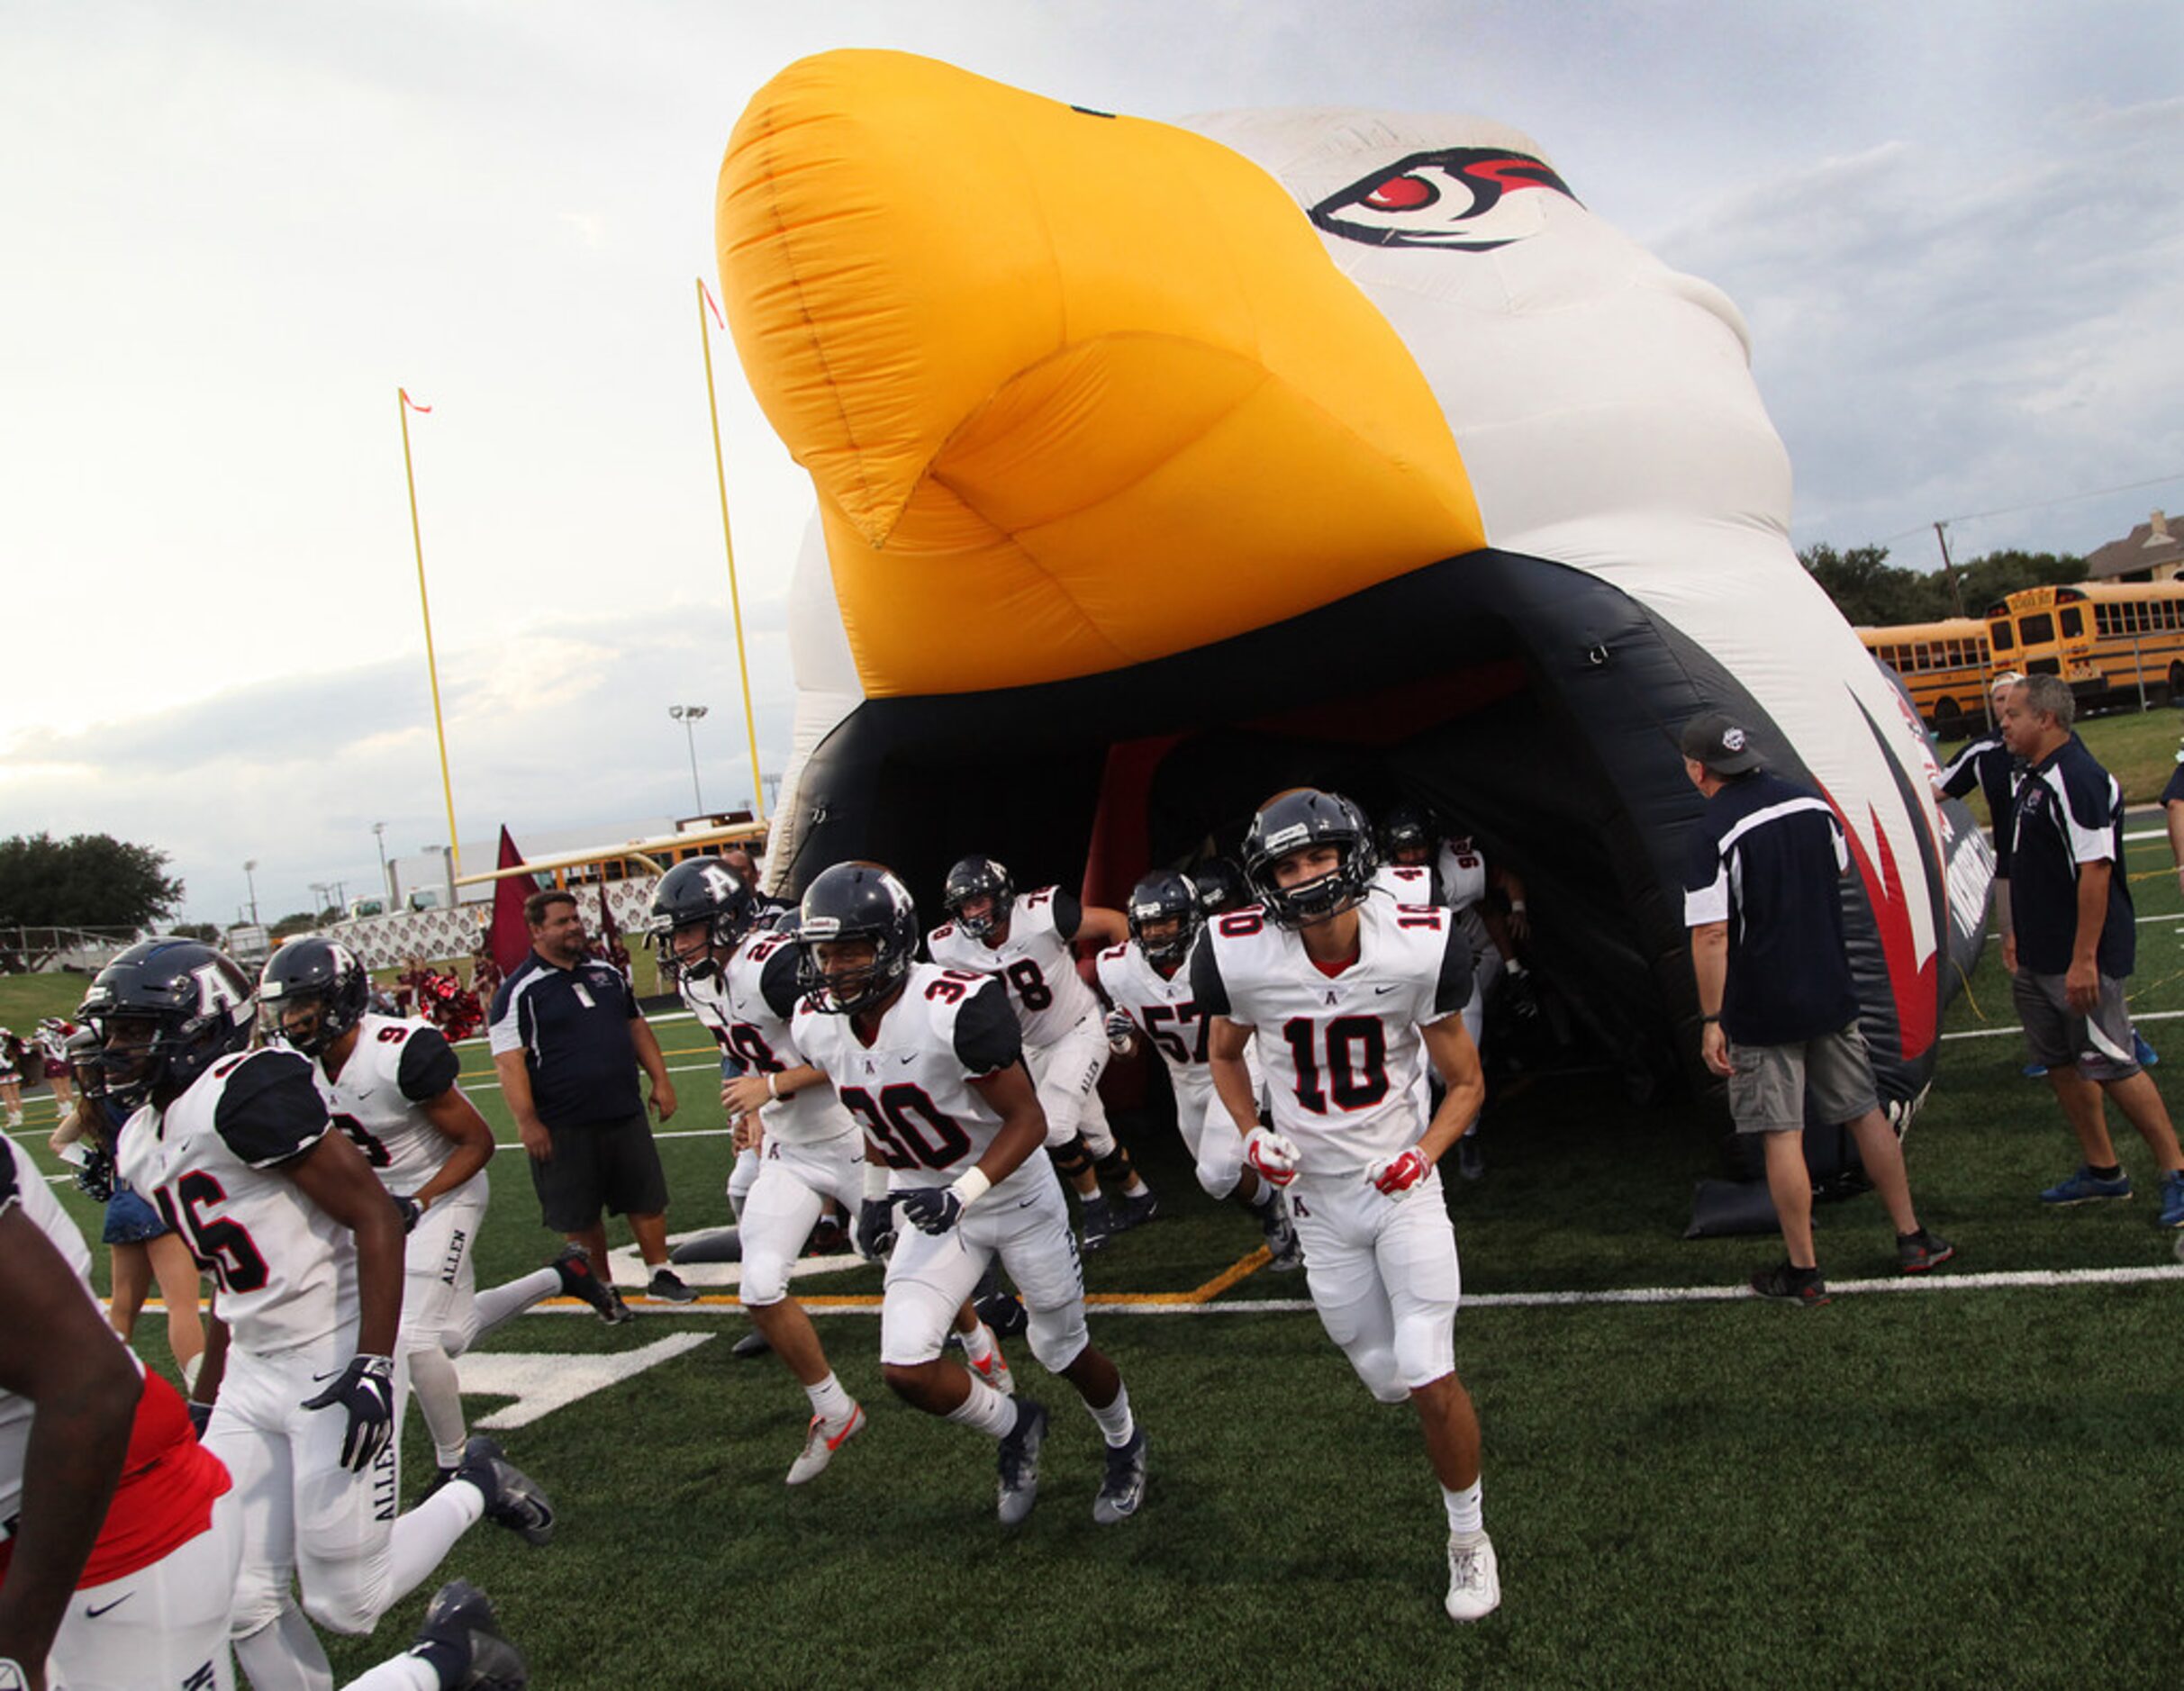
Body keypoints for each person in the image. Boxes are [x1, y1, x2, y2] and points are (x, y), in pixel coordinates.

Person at [86, 937, 554, 1689]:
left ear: (203, 1023)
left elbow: (373, 1214)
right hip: (253, 1367)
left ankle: (476, 1482)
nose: (116, 1049)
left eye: (136, 1030)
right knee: (242, 1601)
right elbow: (229, 1279)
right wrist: (206, 1397)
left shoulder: (243, 1089)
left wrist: (372, 1360)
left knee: (349, 1604)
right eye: (114, 1031)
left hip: (331, 1353)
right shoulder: (144, 1135)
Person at [1193, 789, 1496, 1621]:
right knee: (1384, 1375)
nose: (1305, 876)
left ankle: (1467, 1539)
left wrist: (1421, 1153)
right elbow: (1223, 1054)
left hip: (1398, 1192)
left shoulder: (1416, 944)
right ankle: (1426, 1428)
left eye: (1318, 856)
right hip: (1317, 1208)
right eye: (1286, 865)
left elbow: (1465, 1083)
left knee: (1430, 1369)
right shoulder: (1236, 953)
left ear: (1351, 855)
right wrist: (1252, 1132)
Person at [793, 862, 1148, 1526]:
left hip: (1011, 1196)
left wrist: (962, 1192)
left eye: (851, 950)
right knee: (905, 1366)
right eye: (823, 952)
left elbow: (1030, 1121)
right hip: (933, 1200)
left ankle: (1125, 1440)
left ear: (892, 946)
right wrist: (874, 1195)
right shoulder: (818, 1023)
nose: (834, 968)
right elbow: (875, 1114)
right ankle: (1016, 1425)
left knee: (1061, 1349)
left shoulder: (951, 1006)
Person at [648, 858, 1013, 1482]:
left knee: (896, 1257)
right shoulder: (697, 983)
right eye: (674, 935)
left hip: (854, 1133)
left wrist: (773, 1084)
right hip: (789, 1149)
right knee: (759, 1286)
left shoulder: (775, 966)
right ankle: (833, 1410)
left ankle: (980, 1345)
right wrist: (756, 1103)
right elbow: (742, 1050)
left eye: (689, 931)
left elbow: (846, 1046)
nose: (679, 947)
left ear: (728, 921)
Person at [262, 937, 620, 1486]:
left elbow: (476, 1144)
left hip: (446, 1190)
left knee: (413, 1338)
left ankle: (458, 1465)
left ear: (337, 1001)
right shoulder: (295, 1067)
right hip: (385, 1206)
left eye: (301, 1007)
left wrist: (420, 1199)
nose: (290, 1022)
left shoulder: (396, 1053)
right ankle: (564, 1274)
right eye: (282, 1010)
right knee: (452, 1335)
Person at [1680, 711, 1957, 1303]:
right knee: (1864, 1112)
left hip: (1762, 1006)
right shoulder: (1809, 805)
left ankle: (1804, 1271)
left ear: (1696, 769)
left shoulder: (1710, 833)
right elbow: (1833, 879)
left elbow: (1710, 936)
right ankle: (1911, 1236)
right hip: (1830, 989)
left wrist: (1711, 1019)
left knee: (1781, 1135)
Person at [1998, 677, 2184, 1227]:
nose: (2003, 723)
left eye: (2013, 715)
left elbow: (2095, 871)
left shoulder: (2077, 778)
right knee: (2060, 1062)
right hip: (2040, 954)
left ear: (2046, 720)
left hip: (2077, 957)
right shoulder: (2033, 776)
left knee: (2113, 1062)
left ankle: (2176, 1170)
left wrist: (2084, 959)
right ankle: (2103, 1169)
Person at [928, 856, 1155, 1251]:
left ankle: (1094, 1208)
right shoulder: (947, 946)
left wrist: (1125, 994)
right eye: (965, 905)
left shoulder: (1042, 914)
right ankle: (1141, 1198)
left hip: (1081, 1027)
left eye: (980, 901)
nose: (974, 912)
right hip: (1033, 1046)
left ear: (1002, 897)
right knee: (1096, 1134)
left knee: (1053, 1126)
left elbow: (1114, 923)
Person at [489, 889, 694, 1311]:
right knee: (579, 1213)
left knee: (646, 1196)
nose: (574, 927)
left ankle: (660, 1272)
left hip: (623, 1109)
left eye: (575, 919)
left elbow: (636, 1027)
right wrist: (528, 1122)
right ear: (536, 930)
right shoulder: (518, 991)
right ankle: (602, 1285)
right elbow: (510, 1063)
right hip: (563, 1121)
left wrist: (661, 1080)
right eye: (562, 922)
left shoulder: (606, 974)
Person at [1096, 870, 1299, 1267]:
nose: (1156, 933)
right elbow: (1129, 1051)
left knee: (1216, 1174)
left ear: (1190, 917)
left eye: (1166, 921)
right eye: (1148, 924)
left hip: (1239, 1061)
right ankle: (1272, 1203)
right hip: (1184, 1078)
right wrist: (1120, 1040)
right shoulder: (1118, 969)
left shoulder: (1223, 948)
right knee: (1222, 1181)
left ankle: (1290, 1209)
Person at [46, 1031, 208, 1386]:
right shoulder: (145, 1092)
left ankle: (97, 1387)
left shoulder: (92, 1102)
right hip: (155, 1199)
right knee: (182, 1307)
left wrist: (94, 1164)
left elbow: (58, 1141)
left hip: (121, 1202)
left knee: (122, 1308)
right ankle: (202, 1394)